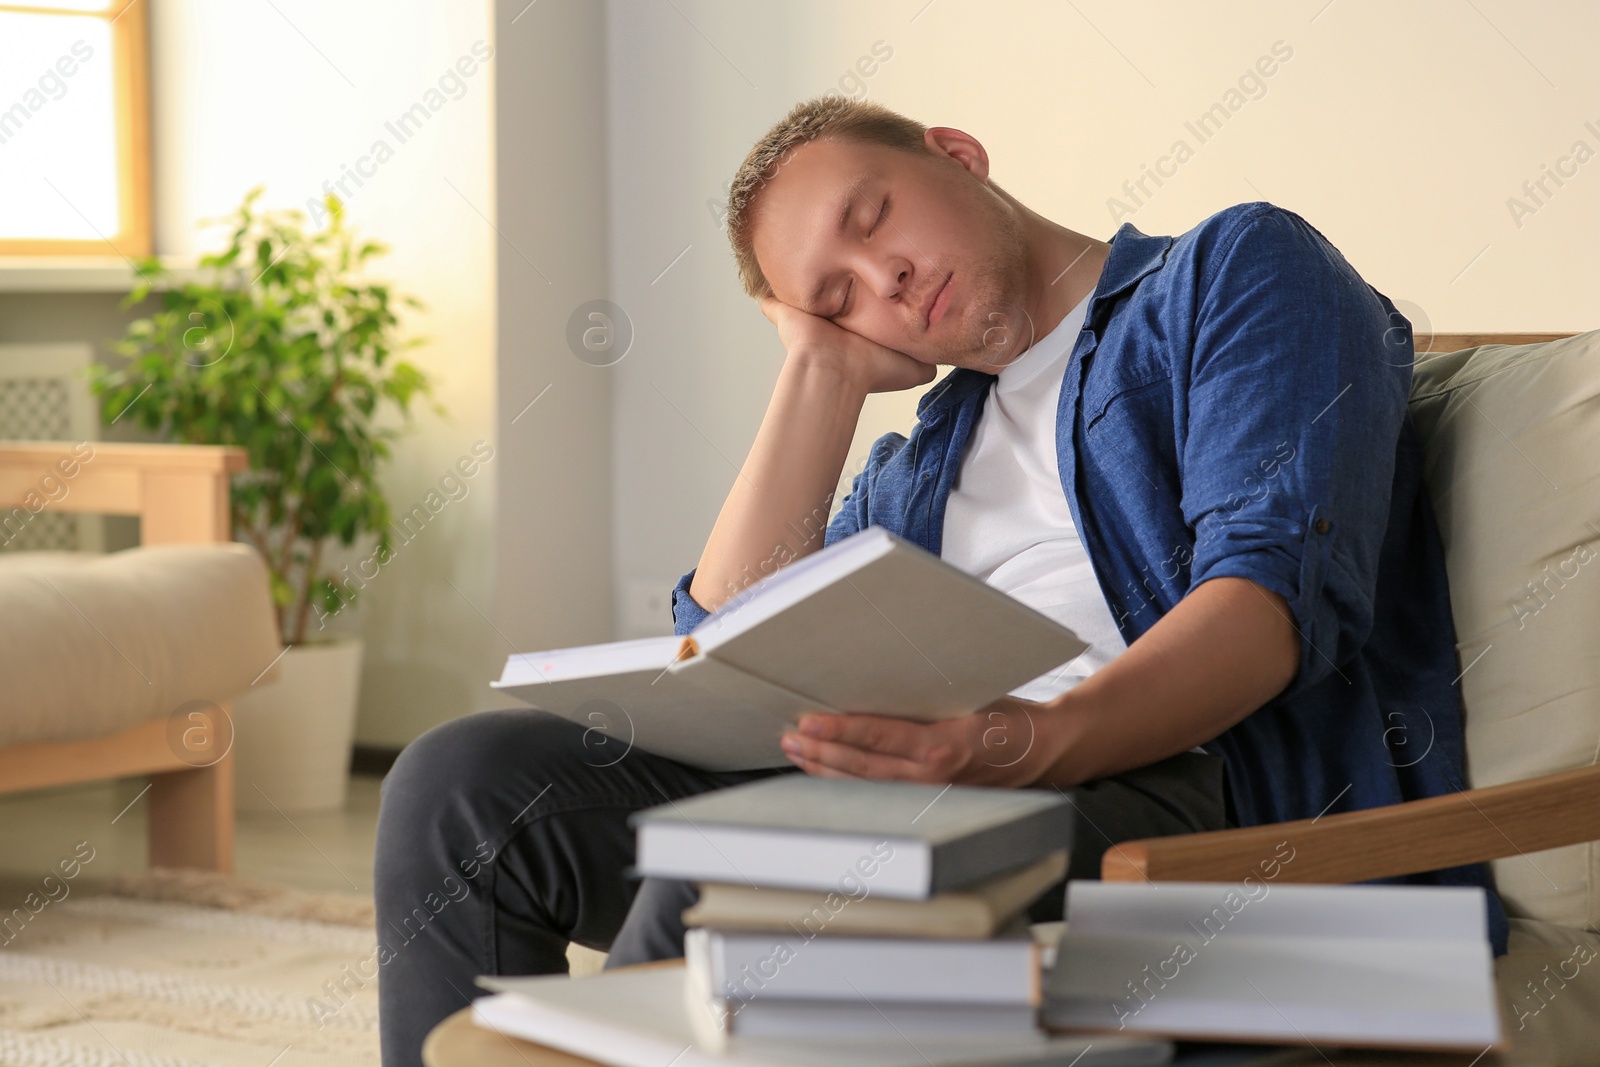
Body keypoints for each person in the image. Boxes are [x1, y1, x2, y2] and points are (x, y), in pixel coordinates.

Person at [374, 95, 1506, 1065]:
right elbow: (720, 637)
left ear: (954, 154)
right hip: (924, 803)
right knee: (464, 782)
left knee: (746, 868)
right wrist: (815, 371)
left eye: (872, 218)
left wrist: (1019, 742)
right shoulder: (919, 467)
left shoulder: (1231, 271)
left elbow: (1267, 609)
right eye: (836, 296)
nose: (884, 277)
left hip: (1202, 817)